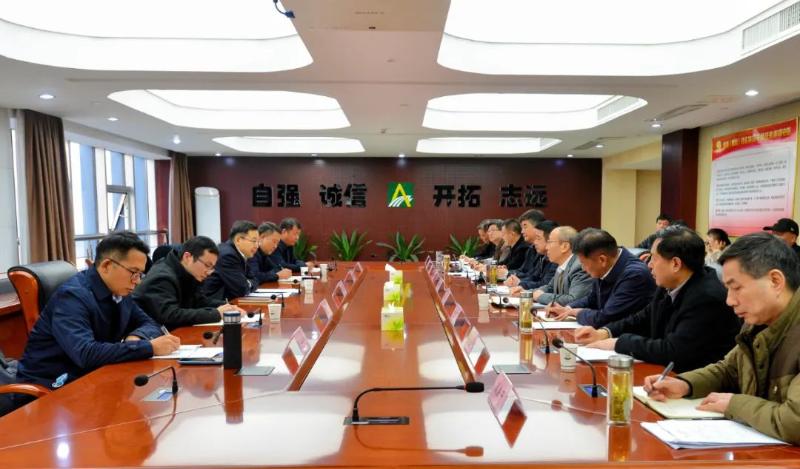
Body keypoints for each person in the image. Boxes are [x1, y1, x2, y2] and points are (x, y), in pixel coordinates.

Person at [644, 233, 800, 445]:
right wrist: (685, 384)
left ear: (775, 281)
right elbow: (729, 369)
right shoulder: (757, 322)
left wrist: (735, 405)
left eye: (736, 288)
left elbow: (794, 421)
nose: (729, 300)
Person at [16, 232, 180, 389]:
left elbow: (150, 324)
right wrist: (148, 347)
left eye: (140, 274)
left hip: (92, 377)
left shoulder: (120, 291)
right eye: (133, 273)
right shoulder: (72, 297)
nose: (137, 281)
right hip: (53, 386)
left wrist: (137, 337)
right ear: (106, 265)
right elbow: (86, 354)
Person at [575, 226, 741, 372]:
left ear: (675, 264)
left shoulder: (706, 297)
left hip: (695, 384)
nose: (649, 265)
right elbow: (643, 318)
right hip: (667, 374)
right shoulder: (668, 284)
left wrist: (618, 343)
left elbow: (673, 351)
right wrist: (604, 333)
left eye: (654, 258)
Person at [548, 228, 656, 327]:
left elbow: (606, 318)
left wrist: (577, 313)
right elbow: (592, 299)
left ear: (602, 260)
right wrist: (567, 308)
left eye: (583, 263)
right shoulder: (605, 265)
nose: (583, 269)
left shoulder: (634, 275)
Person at [133, 236, 245, 330]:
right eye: (207, 265)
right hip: (149, 335)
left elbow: (199, 301)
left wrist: (226, 307)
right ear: (187, 257)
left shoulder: (188, 273)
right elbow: (170, 316)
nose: (209, 272)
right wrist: (216, 313)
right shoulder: (162, 277)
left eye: (212, 268)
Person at [530, 226, 592, 306]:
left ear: (565, 246)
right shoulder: (562, 264)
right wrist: (527, 293)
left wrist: (540, 297)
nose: (546, 247)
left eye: (550, 242)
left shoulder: (579, 266)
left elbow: (573, 299)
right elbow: (550, 288)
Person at [202, 220, 260, 301]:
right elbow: (241, 289)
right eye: (254, 241)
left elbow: (255, 279)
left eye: (258, 242)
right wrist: (248, 283)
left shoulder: (239, 253)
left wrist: (248, 283)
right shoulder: (228, 255)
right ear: (238, 240)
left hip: (229, 300)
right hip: (215, 303)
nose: (257, 246)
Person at [502, 209, 545, 286]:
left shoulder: (525, 247)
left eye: (525, 227)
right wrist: (509, 274)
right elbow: (524, 271)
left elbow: (540, 281)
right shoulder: (531, 249)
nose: (522, 231)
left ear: (537, 227)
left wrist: (507, 274)